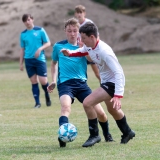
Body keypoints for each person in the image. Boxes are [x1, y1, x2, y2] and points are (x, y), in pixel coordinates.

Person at [61, 22, 135, 144]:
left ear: (92, 37)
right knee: (112, 110)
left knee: (87, 103)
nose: (82, 40)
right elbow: (83, 51)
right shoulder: (90, 46)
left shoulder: (105, 51)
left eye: (83, 38)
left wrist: (118, 95)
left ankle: (94, 135)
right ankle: (127, 132)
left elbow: (119, 72)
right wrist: (70, 53)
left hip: (112, 83)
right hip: (106, 82)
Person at [47, 18, 113, 148]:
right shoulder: (58, 46)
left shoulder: (85, 47)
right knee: (65, 107)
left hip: (82, 84)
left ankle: (107, 134)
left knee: (100, 113)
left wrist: (83, 48)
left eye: (75, 31)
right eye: (69, 31)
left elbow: (92, 60)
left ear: (79, 32)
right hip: (65, 84)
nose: (72, 33)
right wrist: (53, 80)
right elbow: (54, 63)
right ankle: (62, 135)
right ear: (65, 31)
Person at [19, 14, 51, 108]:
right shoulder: (23, 34)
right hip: (28, 60)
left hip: (40, 59)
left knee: (43, 81)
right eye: (25, 21)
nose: (27, 22)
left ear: (32, 19)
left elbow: (48, 43)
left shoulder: (40, 30)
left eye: (28, 20)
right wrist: (21, 63)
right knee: (33, 81)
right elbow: (22, 49)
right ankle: (37, 103)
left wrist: (40, 49)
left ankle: (47, 94)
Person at [74, 4, 100, 81]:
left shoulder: (89, 23)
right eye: (77, 12)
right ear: (75, 14)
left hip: (90, 51)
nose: (79, 14)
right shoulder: (75, 25)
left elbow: (97, 36)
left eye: (80, 12)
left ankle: (105, 88)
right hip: (81, 52)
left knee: (98, 74)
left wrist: (95, 48)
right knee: (80, 75)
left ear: (84, 13)